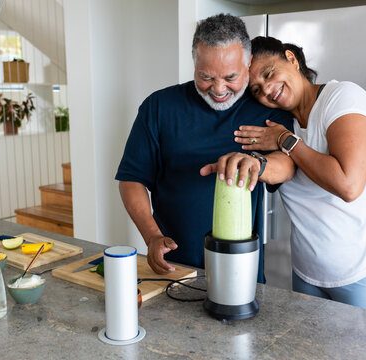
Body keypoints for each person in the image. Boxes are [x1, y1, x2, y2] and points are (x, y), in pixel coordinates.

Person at [200, 36, 366, 317]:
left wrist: (287, 141)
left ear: (291, 58)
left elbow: (348, 184)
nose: (267, 90)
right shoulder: (279, 123)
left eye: (269, 73)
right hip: (308, 275)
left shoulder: (342, 97)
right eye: (257, 89)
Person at [115, 17, 293, 280]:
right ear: (195, 64)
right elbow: (132, 179)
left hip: (242, 272)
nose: (219, 89)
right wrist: (152, 236)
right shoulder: (158, 107)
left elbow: (287, 165)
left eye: (230, 77)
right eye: (205, 77)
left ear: (248, 63)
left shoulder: (267, 109)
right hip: (174, 269)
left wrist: (257, 163)